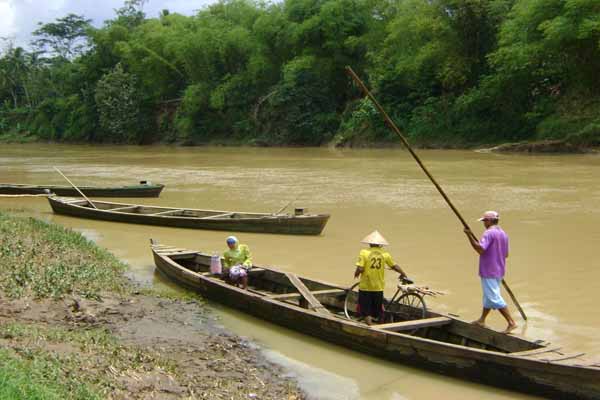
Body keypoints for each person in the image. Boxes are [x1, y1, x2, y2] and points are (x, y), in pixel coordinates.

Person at [464, 210, 517, 333]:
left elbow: (480, 249)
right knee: (488, 297)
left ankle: (511, 322)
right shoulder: (503, 234)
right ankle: (482, 320)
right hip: (499, 269)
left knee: (494, 297)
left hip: (489, 270)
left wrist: (468, 235)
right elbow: (506, 254)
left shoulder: (489, 233)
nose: (483, 224)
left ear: (489, 221)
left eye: (484, 221)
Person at [353, 230, 408, 325]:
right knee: (377, 308)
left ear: (369, 243)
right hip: (378, 286)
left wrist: (356, 273)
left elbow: (360, 268)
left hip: (366, 286)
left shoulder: (364, 252)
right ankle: (380, 324)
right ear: (380, 244)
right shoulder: (385, 254)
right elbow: (394, 266)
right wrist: (403, 273)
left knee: (366, 310)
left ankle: (370, 327)